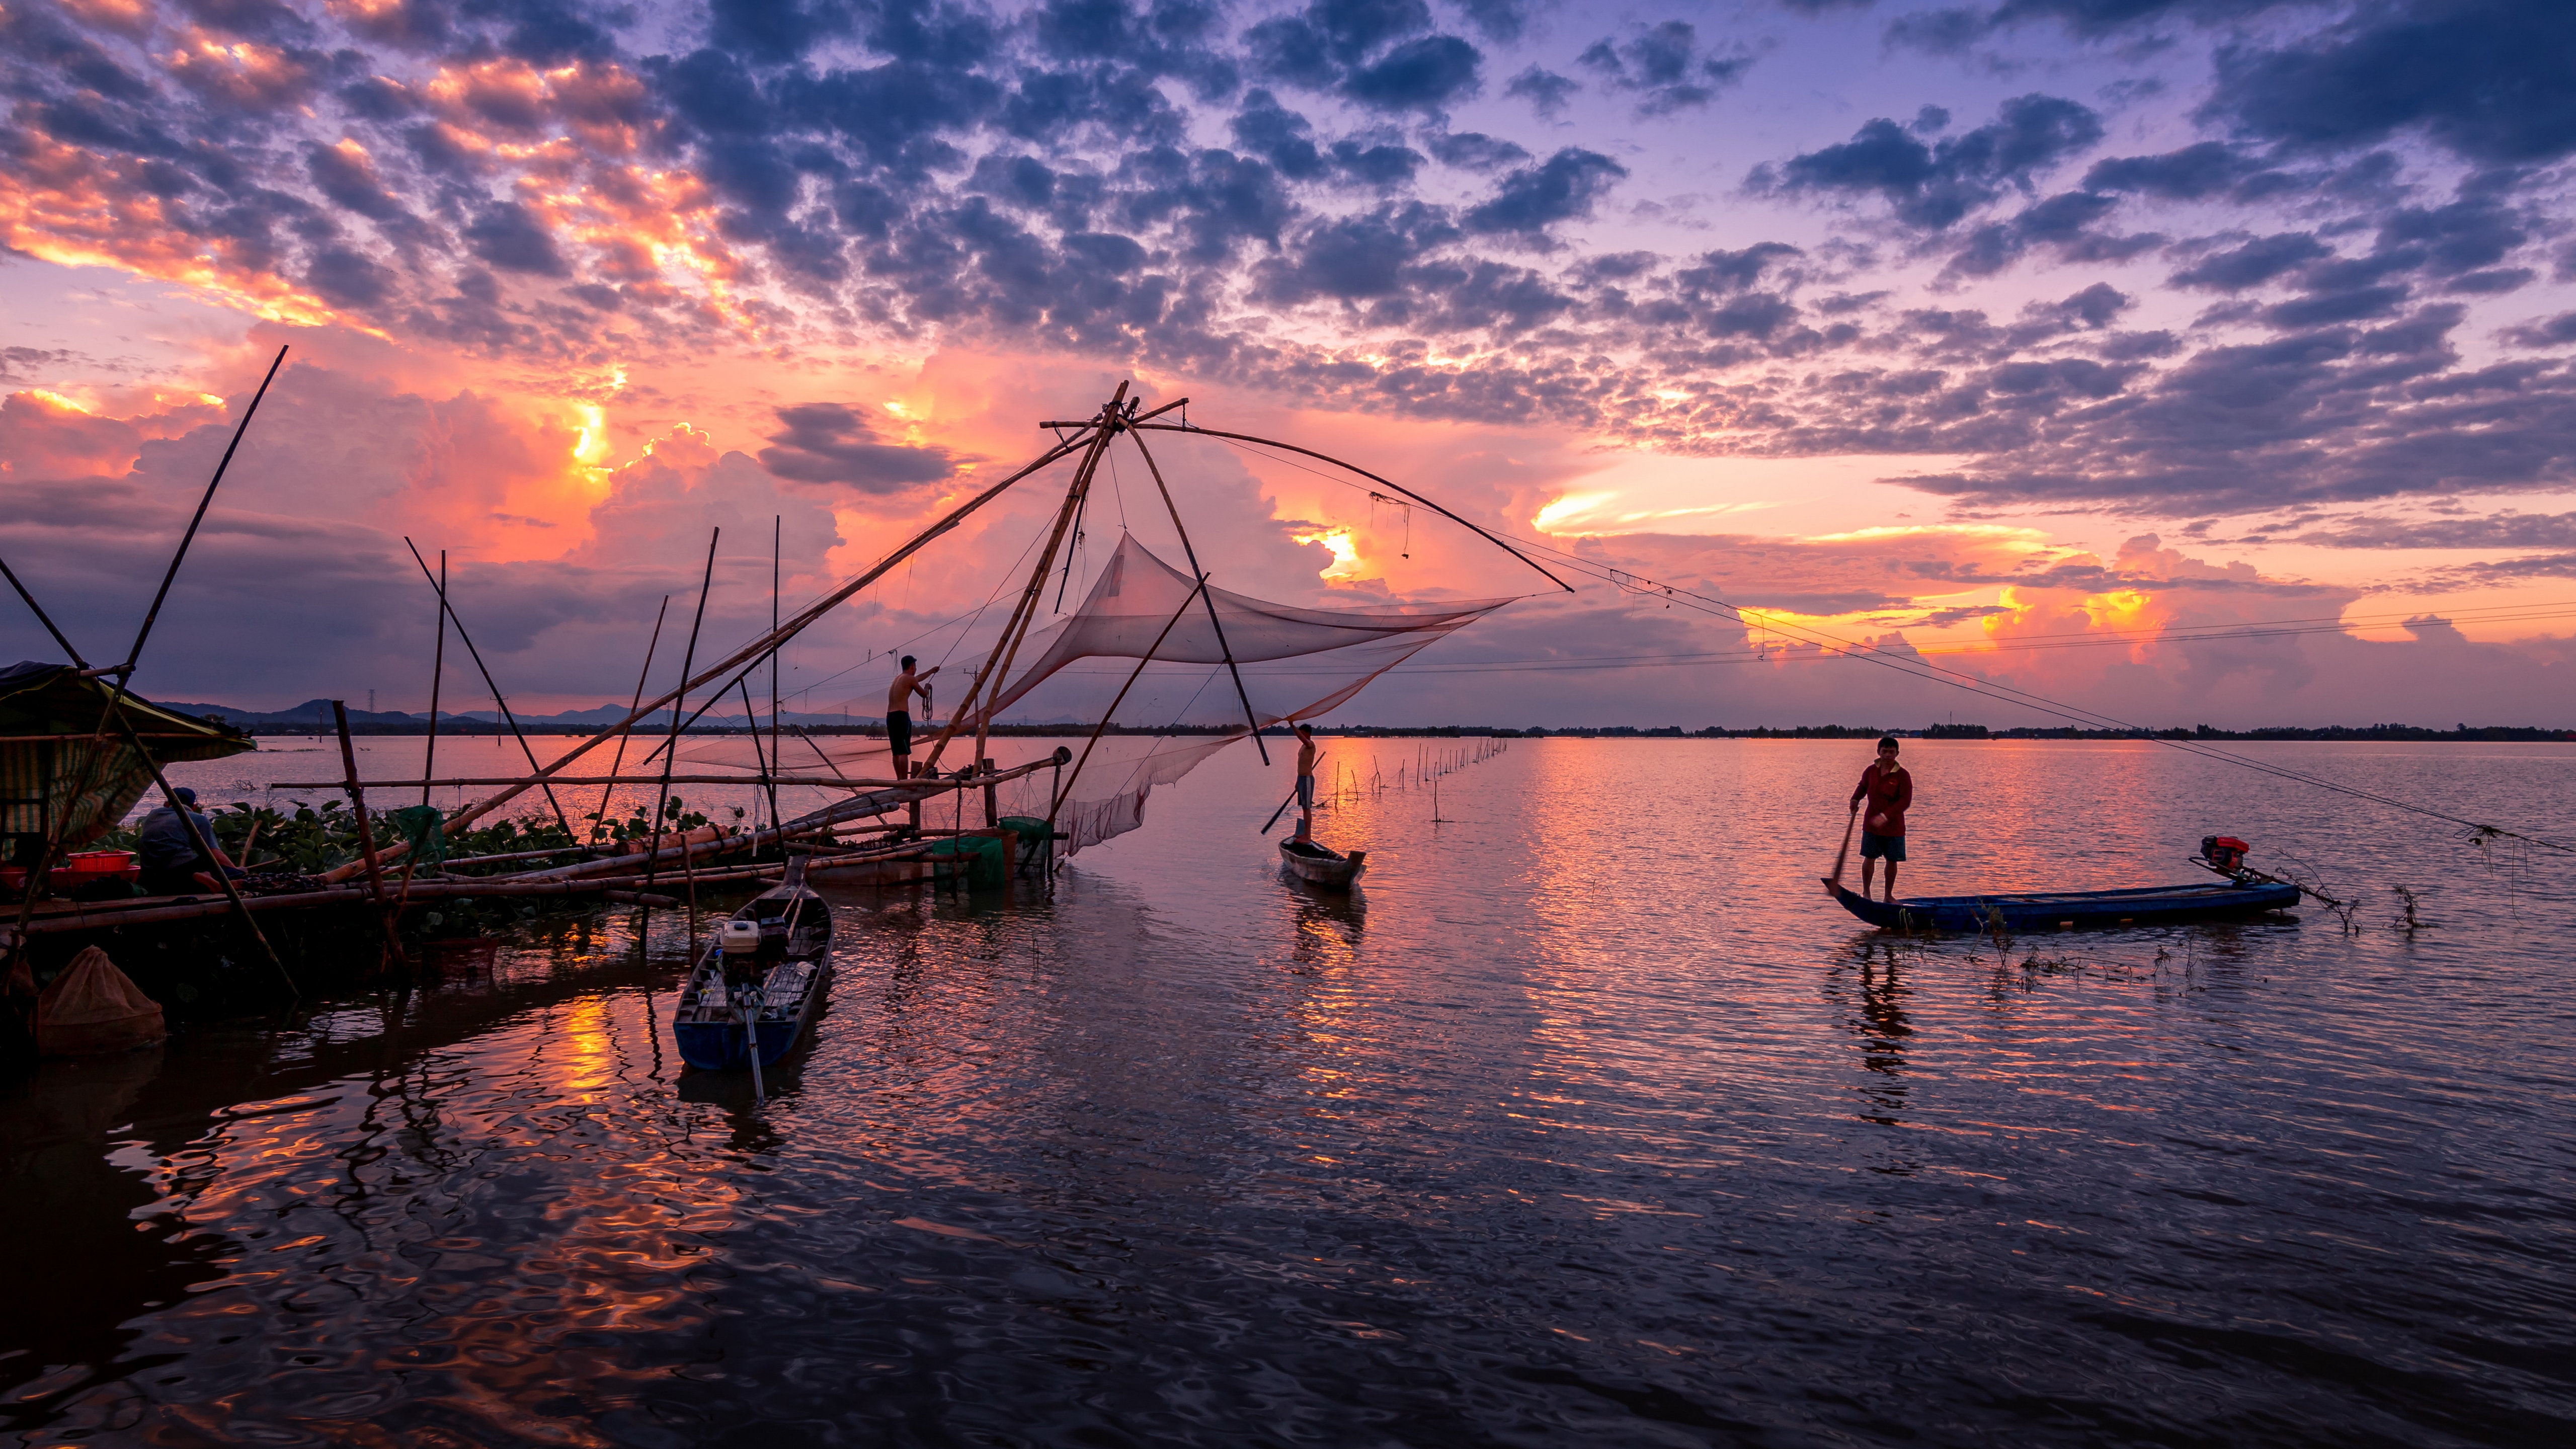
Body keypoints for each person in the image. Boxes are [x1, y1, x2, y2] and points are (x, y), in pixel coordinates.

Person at [136, 787, 246, 896]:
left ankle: (203, 876)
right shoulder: (198, 819)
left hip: (150, 875)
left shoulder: (153, 815)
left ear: (166, 804)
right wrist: (238, 871)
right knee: (222, 868)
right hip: (182, 869)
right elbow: (215, 854)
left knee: (183, 874)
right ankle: (206, 875)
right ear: (194, 807)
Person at [1847, 736, 1912, 903]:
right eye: (1885, 752)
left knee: (1892, 860)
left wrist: (1885, 816)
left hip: (1894, 827)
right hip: (1871, 825)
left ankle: (1888, 896)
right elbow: (1862, 787)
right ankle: (1866, 894)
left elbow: (1905, 801)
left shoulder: (1903, 775)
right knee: (1869, 857)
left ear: (1897, 753)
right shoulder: (1870, 771)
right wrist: (1855, 799)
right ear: (1879, 752)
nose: (1888, 755)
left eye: (1892, 752)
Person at [886, 655, 939, 778]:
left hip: (890, 717)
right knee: (904, 752)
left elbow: (917, 678)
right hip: (901, 717)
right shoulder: (910, 679)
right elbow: (924, 694)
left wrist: (932, 671)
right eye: (915, 666)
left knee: (896, 752)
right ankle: (905, 783)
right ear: (912, 666)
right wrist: (928, 687)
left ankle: (900, 781)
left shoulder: (899, 678)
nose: (916, 669)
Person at [1293, 722, 1319, 841]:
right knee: (1304, 808)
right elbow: (1300, 765)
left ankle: (1308, 837)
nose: (1301, 736)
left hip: (1308, 779)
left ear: (1308, 733)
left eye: (1303, 733)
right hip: (1302, 779)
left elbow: (1302, 739)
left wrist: (1292, 726)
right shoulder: (1302, 747)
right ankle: (1304, 834)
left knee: (1307, 808)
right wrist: (1298, 781)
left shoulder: (1310, 745)